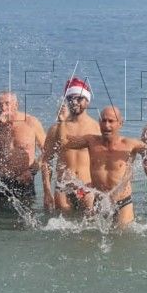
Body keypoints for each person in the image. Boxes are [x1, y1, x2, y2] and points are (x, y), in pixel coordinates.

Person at [55, 105, 147, 227]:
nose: (106, 125)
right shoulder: (91, 141)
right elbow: (64, 143)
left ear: (120, 123)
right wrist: (62, 121)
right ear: (99, 122)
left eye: (111, 121)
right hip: (100, 201)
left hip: (122, 202)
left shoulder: (130, 145)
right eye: (103, 121)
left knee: (123, 236)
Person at [42, 78, 99, 210]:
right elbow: (46, 161)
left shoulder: (97, 128)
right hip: (63, 186)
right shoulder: (56, 129)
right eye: (70, 99)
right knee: (61, 227)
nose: (74, 102)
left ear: (87, 100)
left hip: (87, 186)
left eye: (79, 98)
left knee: (89, 228)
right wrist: (46, 191)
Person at [0, 91, 47, 206]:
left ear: (16, 105)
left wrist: (32, 171)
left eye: (7, 103)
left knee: (26, 220)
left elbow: (47, 151)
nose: (3, 107)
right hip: (0, 181)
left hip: (25, 179)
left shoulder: (31, 122)